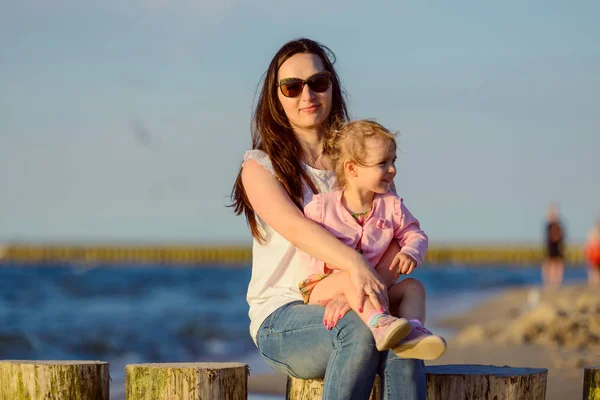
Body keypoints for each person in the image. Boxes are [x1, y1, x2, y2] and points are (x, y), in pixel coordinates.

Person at [231, 38, 427, 399]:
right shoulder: (259, 167)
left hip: (360, 297)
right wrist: (353, 267)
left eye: (318, 82)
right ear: (276, 98)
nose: (307, 95)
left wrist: (360, 291)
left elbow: (396, 235)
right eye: (291, 87)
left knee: (403, 331)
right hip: (284, 314)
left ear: (332, 86)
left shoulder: (366, 160)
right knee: (358, 330)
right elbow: (298, 229)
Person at [298, 119, 446, 360]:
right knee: (349, 277)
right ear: (352, 169)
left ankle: (414, 332)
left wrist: (411, 251)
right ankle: (379, 323)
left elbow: (415, 234)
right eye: (382, 164)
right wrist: (341, 295)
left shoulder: (392, 206)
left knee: (414, 287)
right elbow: (310, 249)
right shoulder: (322, 208)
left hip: (374, 285)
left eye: (393, 161)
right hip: (324, 286)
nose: (392, 170)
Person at [542, 204, 565, 288]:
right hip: (551, 247)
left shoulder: (558, 225)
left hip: (557, 247)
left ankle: (557, 282)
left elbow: (560, 236)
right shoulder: (549, 225)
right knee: (550, 263)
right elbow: (550, 237)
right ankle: (550, 281)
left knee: (558, 263)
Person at [584, 218, 600, 287]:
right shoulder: (592, 232)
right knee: (593, 270)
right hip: (594, 253)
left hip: (597, 253)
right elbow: (588, 244)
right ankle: (593, 284)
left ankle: (597, 283)